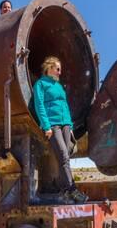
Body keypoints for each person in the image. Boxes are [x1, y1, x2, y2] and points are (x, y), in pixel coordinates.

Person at [33, 56, 88, 204]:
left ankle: (64, 191)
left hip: (65, 125)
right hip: (53, 124)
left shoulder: (59, 86)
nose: (59, 72)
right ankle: (72, 190)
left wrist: (69, 127)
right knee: (63, 155)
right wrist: (46, 126)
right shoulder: (41, 84)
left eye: (60, 69)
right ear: (48, 68)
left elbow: (65, 106)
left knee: (65, 156)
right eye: (57, 68)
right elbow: (39, 105)